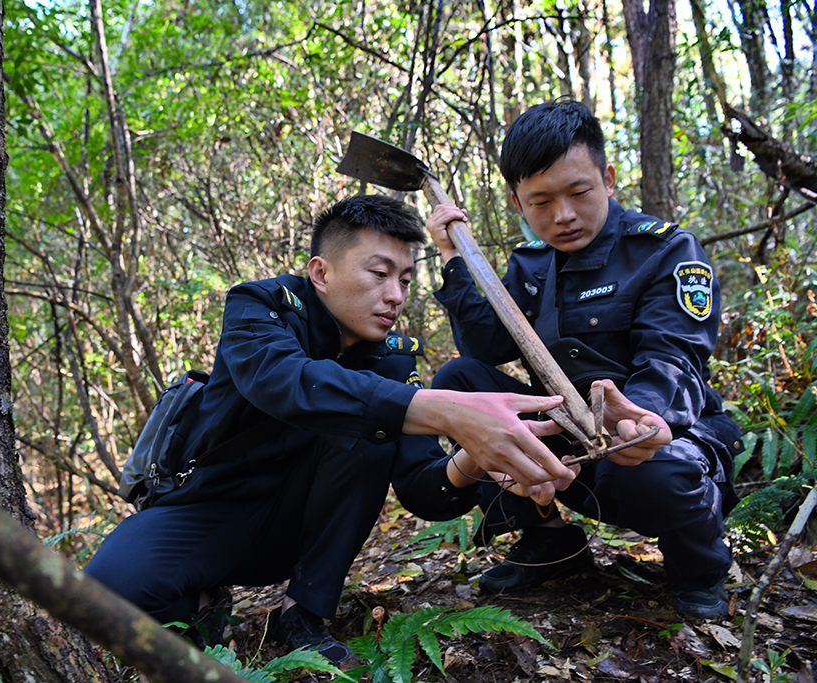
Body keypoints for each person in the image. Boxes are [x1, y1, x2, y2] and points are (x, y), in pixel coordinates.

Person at [84, 193, 661, 665]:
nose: (395, 296)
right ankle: (203, 602)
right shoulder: (259, 307)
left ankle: (304, 614)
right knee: (106, 589)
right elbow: (285, 383)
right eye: (379, 273)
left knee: (366, 425)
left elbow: (422, 492)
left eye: (407, 280)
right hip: (208, 512)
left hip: (297, 534)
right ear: (321, 272)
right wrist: (446, 410)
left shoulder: (391, 359)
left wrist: (476, 459)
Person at [425, 100, 743, 619]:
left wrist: (637, 419)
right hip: (570, 444)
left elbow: (674, 358)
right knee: (462, 383)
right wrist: (453, 261)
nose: (563, 215)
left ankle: (700, 569)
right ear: (518, 203)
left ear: (609, 179)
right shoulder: (531, 266)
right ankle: (549, 541)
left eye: (579, 192)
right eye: (541, 201)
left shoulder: (665, 251)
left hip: (661, 439)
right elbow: (487, 347)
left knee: (651, 471)